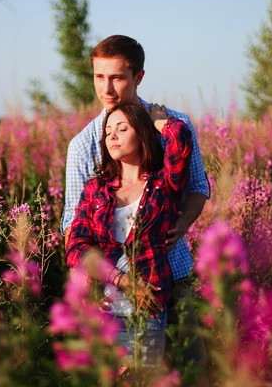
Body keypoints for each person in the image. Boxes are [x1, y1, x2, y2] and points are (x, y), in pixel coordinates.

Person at [61, 35, 210, 384]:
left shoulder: (173, 123)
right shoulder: (84, 144)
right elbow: (73, 228)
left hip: (173, 270)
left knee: (193, 367)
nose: (107, 88)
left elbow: (197, 188)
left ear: (138, 76)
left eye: (117, 77)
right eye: (99, 77)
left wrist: (181, 226)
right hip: (116, 290)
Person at [66, 102, 191, 369]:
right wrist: (123, 281)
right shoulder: (96, 190)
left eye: (122, 129)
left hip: (147, 312)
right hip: (103, 312)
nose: (112, 135)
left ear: (142, 134)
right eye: (108, 130)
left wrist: (160, 122)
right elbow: (76, 247)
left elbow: (181, 144)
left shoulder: (163, 185)